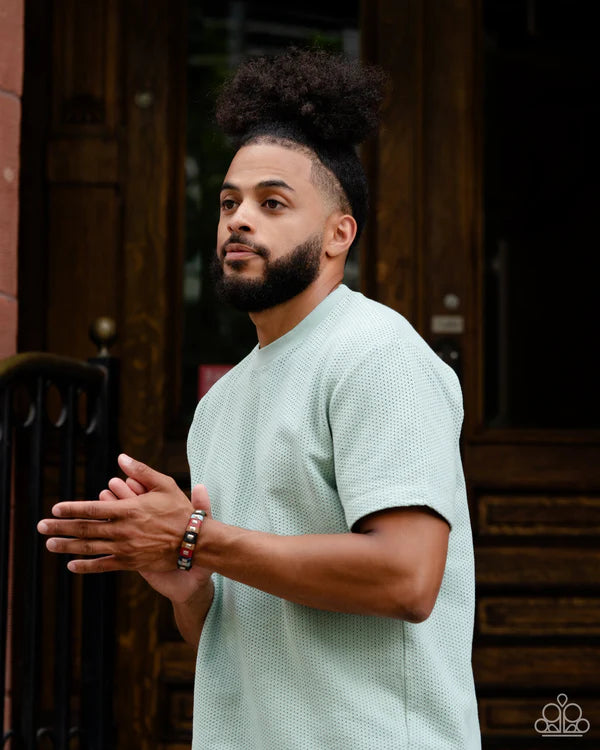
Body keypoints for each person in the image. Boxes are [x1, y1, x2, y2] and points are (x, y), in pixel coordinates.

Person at [38, 48, 481, 749]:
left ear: (339, 234)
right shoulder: (220, 405)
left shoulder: (377, 353)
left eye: (272, 203)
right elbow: (228, 636)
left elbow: (407, 578)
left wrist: (193, 536)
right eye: (228, 202)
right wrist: (186, 583)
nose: (238, 220)